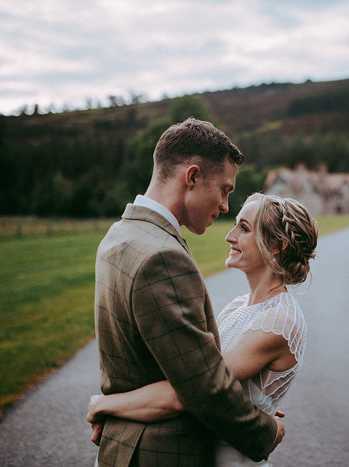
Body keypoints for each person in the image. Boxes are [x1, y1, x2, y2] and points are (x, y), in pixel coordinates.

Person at [92, 119, 285, 466]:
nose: (226, 205)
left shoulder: (119, 236)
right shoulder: (163, 257)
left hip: (123, 443)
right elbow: (204, 386)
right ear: (192, 177)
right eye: (224, 189)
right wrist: (265, 431)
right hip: (163, 453)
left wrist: (110, 408)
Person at [89, 193, 318, 466]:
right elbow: (192, 374)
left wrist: (105, 405)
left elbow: (192, 391)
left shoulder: (279, 322)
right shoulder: (237, 306)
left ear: (277, 245)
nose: (229, 236)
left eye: (243, 228)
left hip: (230, 457)